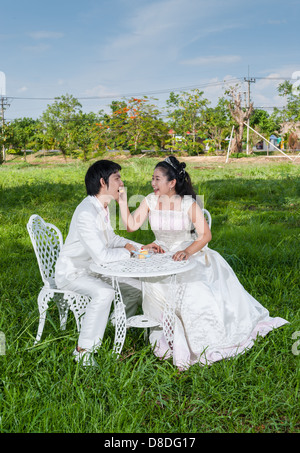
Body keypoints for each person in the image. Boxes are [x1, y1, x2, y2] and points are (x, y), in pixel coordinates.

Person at [118, 156, 289, 370]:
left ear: (172, 183)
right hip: (162, 254)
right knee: (154, 284)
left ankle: (202, 342)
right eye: (152, 178)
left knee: (193, 289)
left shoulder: (188, 203)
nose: (152, 183)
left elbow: (205, 236)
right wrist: (123, 201)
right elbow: (131, 226)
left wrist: (186, 251)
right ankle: (169, 337)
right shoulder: (149, 201)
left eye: (157, 179)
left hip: (189, 252)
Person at [55, 160, 142, 366]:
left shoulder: (100, 207)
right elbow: (103, 256)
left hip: (93, 269)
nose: (122, 183)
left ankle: (113, 325)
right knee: (105, 293)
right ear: (103, 182)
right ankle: (83, 351)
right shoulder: (86, 212)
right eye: (117, 178)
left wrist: (140, 248)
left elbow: (111, 240)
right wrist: (128, 254)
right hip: (74, 272)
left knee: (137, 288)